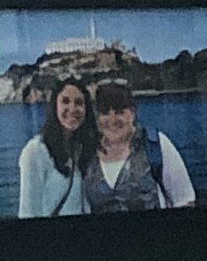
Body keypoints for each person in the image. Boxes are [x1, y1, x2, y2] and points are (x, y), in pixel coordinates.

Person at [77, 79, 193, 214]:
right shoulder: (88, 152)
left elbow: (185, 201)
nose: (112, 120)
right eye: (105, 113)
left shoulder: (155, 145)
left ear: (132, 113)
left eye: (119, 112)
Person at [15, 71, 96, 217]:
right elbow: (28, 213)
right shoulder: (36, 151)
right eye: (65, 101)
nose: (72, 108)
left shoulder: (79, 148)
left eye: (79, 103)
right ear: (55, 106)